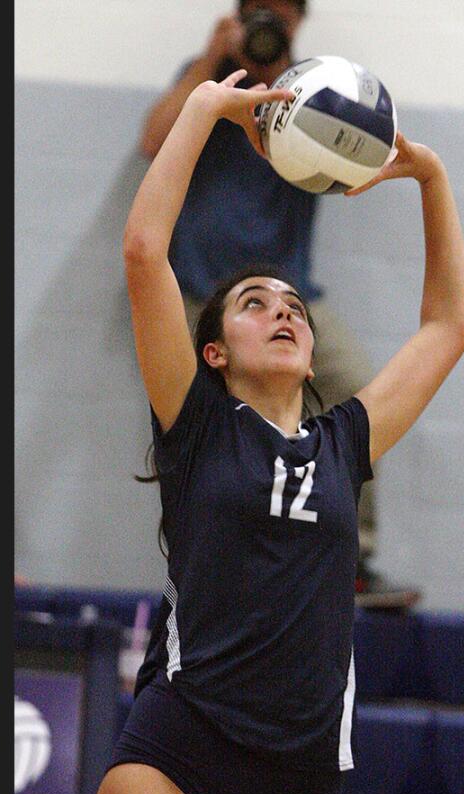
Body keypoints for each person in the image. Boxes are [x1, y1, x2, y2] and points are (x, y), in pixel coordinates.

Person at [95, 68, 464, 794]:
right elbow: (146, 251)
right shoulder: (197, 421)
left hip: (301, 766)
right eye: (254, 303)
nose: (283, 312)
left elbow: (449, 325)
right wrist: (205, 105)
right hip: (183, 739)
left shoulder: (345, 442)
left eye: (294, 304)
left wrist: (430, 176)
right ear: (215, 352)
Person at [137, 1, 410, 605]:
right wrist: (213, 62)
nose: (268, 29)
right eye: (259, 15)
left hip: (287, 293)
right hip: (197, 292)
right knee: (193, 429)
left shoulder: (314, 88)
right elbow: (152, 142)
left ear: (297, 24)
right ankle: (201, 559)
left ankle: (351, 556)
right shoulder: (209, 79)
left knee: (354, 384)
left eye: (279, 20)